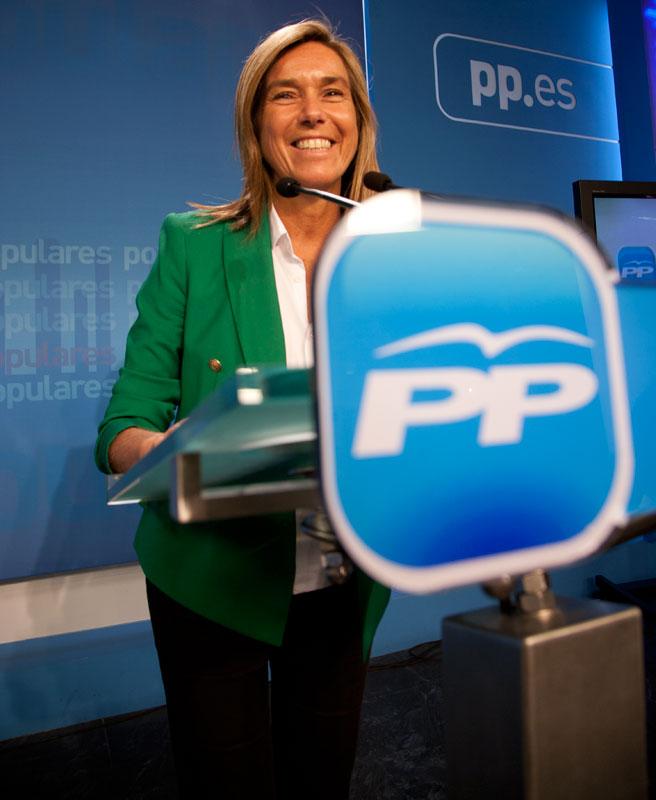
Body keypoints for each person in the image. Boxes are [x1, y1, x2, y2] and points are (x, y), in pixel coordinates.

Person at [94, 18, 391, 800]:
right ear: (256, 127)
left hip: (343, 571)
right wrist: (171, 454)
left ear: (358, 120)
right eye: (285, 95)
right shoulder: (194, 243)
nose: (313, 111)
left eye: (333, 93)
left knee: (321, 778)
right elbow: (122, 424)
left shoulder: (399, 258)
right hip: (212, 577)